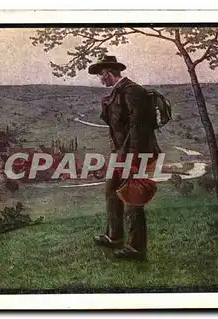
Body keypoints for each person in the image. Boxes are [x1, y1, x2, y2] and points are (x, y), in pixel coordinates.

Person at [88, 55, 162, 261]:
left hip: (135, 153)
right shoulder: (119, 92)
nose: (100, 80)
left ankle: (137, 248)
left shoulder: (133, 91)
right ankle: (114, 236)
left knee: (133, 196)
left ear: (107, 73)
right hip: (120, 152)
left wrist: (133, 158)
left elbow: (139, 127)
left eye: (100, 76)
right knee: (111, 190)